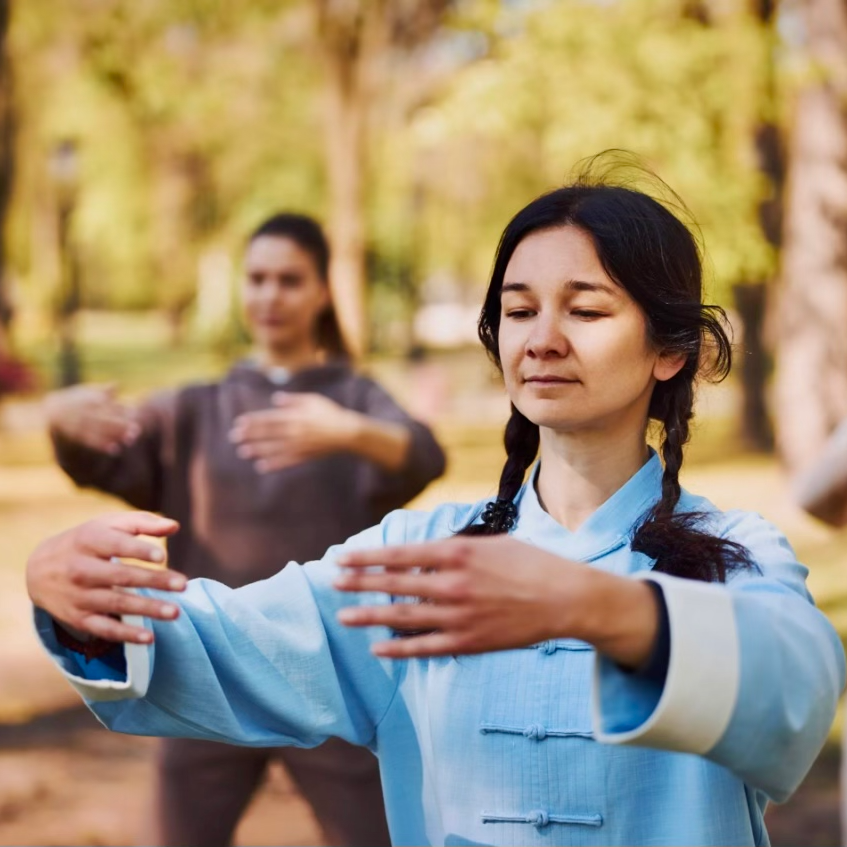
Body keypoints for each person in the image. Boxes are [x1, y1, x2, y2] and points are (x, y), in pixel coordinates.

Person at [29, 164, 845, 847]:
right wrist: (78, 600)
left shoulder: (732, 549)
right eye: (519, 311)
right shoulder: (417, 554)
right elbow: (228, 647)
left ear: (671, 350)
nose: (542, 339)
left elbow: (796, 695)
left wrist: (604, 608)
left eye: (586, 309)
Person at [41, 212, 446, 847]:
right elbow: (100, 456)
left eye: (289, 280)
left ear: (320, 291)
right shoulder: (194, 408)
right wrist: (61, 420)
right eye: (257, 279)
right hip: (208, 663)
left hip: (332, 672)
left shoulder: (354, 398)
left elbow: (425, 454)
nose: (270, 295)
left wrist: (350, 433)